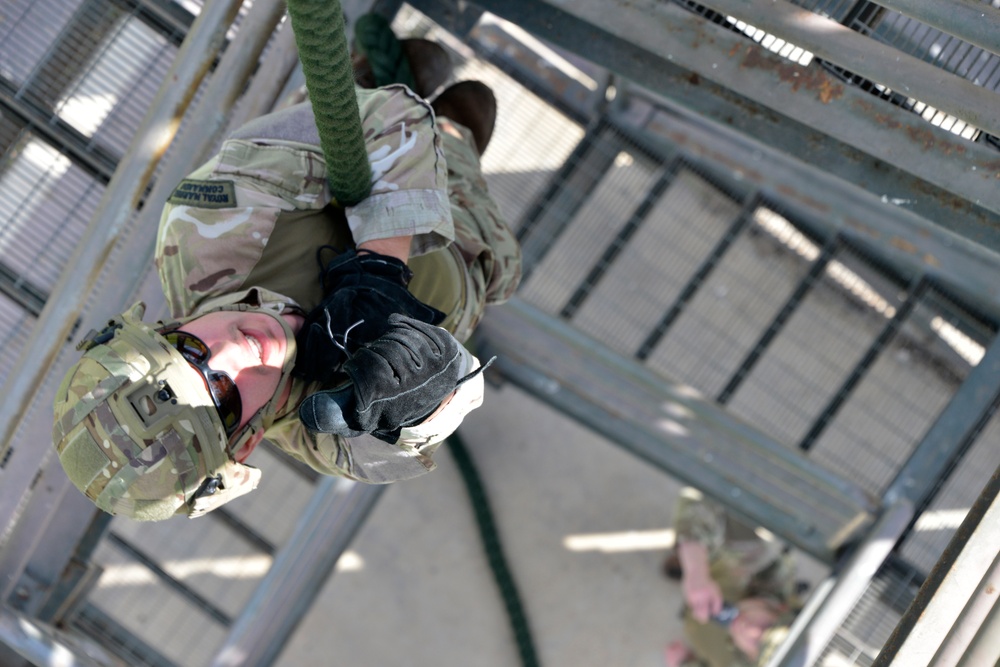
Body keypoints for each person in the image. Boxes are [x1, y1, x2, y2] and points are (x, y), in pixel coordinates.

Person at [51, 34, 521, 521]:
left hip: (299, 181)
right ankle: (450, 131)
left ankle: (364, 83)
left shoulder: (204, 230)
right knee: (464, 136)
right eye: (222, 397)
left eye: (187, 350)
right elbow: (413, 433)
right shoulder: (323, 426)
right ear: (249, 439)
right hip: (464, 244)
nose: (231, 349)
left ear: (163, 330)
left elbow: (392, 117)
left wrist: (380, 266)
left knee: (343, 118)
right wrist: (420, 395)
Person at [664, 487, 800, 667]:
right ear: (782, 609)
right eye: (766, 626)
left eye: (757, 647)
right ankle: (690, 556)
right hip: (722, 568)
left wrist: (684, 662)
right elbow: (704, 490)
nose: (749, 630)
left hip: (698, 634)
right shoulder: (766, 562)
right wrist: (695, 568)